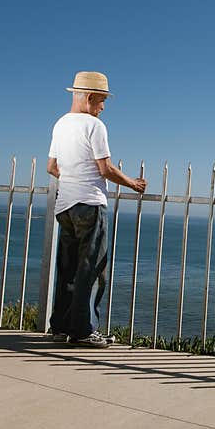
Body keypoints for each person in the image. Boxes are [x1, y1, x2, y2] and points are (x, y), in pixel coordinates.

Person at [46, 71, 146, 347]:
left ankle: (60, 326)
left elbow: (52, 167)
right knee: (91, 270)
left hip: (65, 205)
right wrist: (132, 183)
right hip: (90, 205)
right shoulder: (94, 126)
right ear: (90, 98)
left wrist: (73, 179)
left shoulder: (60, 125)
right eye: (102, 101)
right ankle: (83, 331)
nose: (103, 107)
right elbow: (105, 168)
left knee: (67, 269)